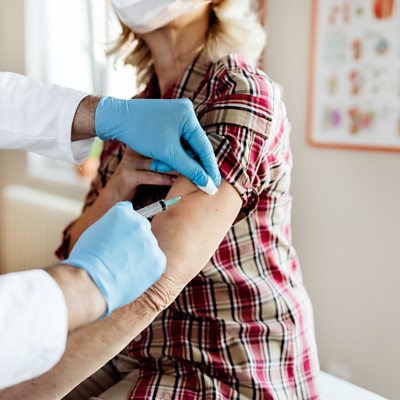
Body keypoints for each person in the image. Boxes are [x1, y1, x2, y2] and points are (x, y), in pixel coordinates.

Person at [1, 0, 321, 399]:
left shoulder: (239, 92)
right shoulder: (133, 112)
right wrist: (118, 187)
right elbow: (75, 252)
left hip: (227, 353)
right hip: (137, 346)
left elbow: (158, 286)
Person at [0, 50, 220, 389]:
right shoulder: (138, 111)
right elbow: (76, 251)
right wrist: (82, 286)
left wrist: (100, 114)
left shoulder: (232, 93)